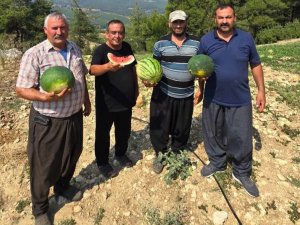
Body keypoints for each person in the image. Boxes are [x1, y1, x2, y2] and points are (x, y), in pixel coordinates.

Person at [16, 12, 91, 225]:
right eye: (55, 28)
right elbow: (21, 89)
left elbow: (81, 78)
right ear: (46, 30)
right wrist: (43, 96)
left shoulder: (75, 48)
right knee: (43, 165)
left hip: (74, 115)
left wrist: (86, 100)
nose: (60, 32)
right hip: (48, 120)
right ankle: (40, 208)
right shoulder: (35, 54)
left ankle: (63, 187)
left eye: (63, 27)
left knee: (71, 155)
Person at [198, 3, 266, 197]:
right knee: (213, 133)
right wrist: (200, 85)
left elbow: (256, 64)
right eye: (221, 17)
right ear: (215, 19)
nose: (225, 21)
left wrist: (261, 91)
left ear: (234, 18)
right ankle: (218, 163)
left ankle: (242, 172)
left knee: (242, 136)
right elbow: (199, 67)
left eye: (228, 17)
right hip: (213, 98)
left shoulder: (246, 38)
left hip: (240, 97)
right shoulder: (206, 40)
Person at [146, 10, 202, 174]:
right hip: (163, 93)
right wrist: (148, 80)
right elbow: (154, 67)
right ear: (169, 24)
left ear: (186, 23)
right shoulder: (160, 44)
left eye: (181, 22)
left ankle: (178, 151)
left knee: (182, 126)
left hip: (186, 94)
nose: (178, 25)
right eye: (175, 22)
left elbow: (200, 68)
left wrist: (201, 88)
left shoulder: (197, 44)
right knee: (159, 126)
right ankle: (160, 154)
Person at [89, 20, 138, 179]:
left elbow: (133, 68)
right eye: (114, 32)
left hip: (125, 100)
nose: (117, 36)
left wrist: (136, 89)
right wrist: (108, 67)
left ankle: (120, 154)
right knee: (103, 134)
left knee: (123, 131)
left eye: (120, 32)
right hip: (107, 102)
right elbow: (92, 69)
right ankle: (102, 162)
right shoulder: (101, 51)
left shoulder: (127, 47)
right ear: (107, 34)